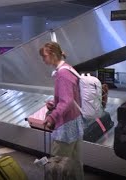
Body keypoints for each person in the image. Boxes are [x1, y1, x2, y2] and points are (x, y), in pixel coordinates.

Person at [39, 42, 84, 180]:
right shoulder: (69, 69)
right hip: (75, 123)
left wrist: (52, 117)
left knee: (58, 165)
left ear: (53, 55)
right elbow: (71, 97)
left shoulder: (62, 74)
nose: (43, 60)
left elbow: (67, 101)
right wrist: (55, 103)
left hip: (65, 127)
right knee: (75, 162)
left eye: (44, 56)